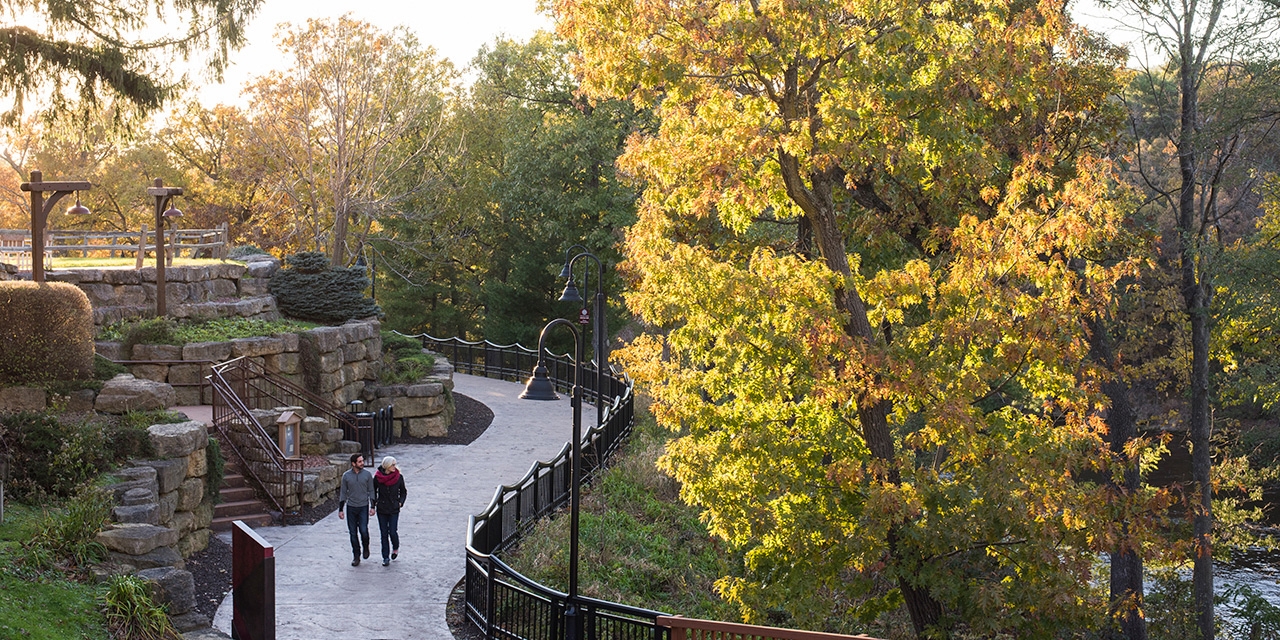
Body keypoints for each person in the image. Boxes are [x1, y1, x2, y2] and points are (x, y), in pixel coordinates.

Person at [338, 453, 375, 566]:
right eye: (359, 461)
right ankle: (356, 556)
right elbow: (343, 492)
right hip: (351, 507)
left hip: (363, 506)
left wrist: (373, 506)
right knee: (353, 533)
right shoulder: (346, 476)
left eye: (362, 460)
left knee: (363, 530)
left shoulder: (367, 475)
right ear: (353, 464)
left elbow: (371, 490)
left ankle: (366, 546)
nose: (362, 463)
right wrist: (341, 509)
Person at [374, 455, 407, 567]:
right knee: (383, 533)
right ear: (386, 466)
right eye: (392, 465)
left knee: (392, 531)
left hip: (393, 508)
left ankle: (395, 547)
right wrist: (373, 505)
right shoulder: (378, 478)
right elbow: (373, 492)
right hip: (382, 508)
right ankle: (385, 557)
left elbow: (403, 492)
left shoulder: (399, 477)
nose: (395, 466)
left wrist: (400, 502)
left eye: (395, 464)